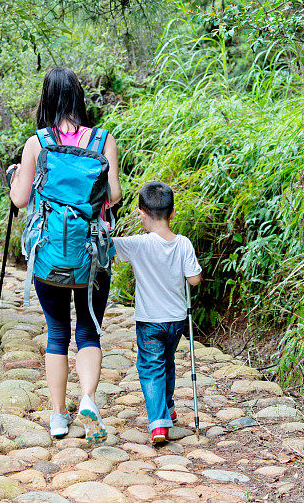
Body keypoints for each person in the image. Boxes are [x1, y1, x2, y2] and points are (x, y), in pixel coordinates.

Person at [7, 67, 122, 444]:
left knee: (57, 333)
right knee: (88, 331)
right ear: (79, 98)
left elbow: (20, 199)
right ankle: (87, 397)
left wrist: (14, 179)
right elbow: (115, 196)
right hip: (92, 254)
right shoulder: (103, 140)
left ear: (47, 99)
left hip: (48, 252)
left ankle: (58, 417)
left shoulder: (37, 144)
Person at [112, 182, 202, 444]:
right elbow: (194, 279)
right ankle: (169, 407)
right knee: (167, 363)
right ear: (173, 213)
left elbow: (107, 245)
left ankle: (159, 425)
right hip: (176, 321)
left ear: (142, 214)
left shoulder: (137, 244)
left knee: (151, 368)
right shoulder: (183, 243)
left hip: (149, 321)